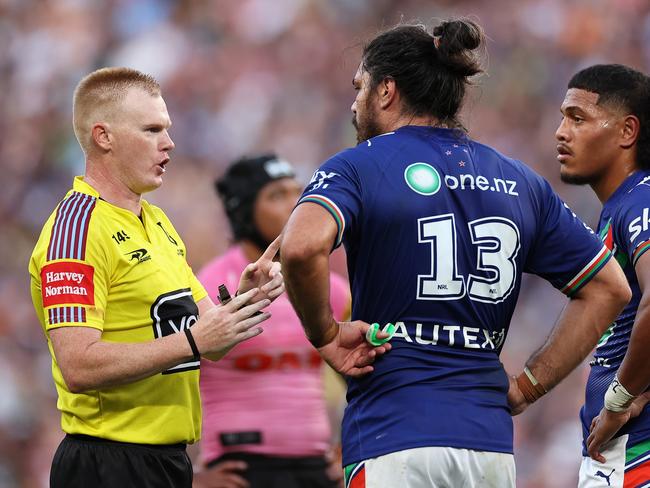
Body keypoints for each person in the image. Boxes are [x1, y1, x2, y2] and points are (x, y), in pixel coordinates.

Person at [280, 19, 631, 487]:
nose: (353, 102)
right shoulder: (520, 180)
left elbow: (301, 248)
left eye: (359, 87)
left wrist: (324, 333)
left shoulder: (359, 163)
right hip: (489, 445)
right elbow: (609, 287)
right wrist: (529, 384)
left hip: (393, 434)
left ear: (386, 90)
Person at [28, 67, 284, 488]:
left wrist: (244, 300)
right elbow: (78, 364)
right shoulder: (76, 229)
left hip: (166, 461)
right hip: (107, 461)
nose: (169, 143)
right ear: (103, 136)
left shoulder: (157, 221)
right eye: (151, 129)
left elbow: (207, 339)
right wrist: (193, 341)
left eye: (166, 128)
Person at [193, 154, 350, 488]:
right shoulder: (208, 284)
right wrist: (187, 477)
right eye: (277, 195)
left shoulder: (331, 290)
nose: (296, 205)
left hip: (315, 468)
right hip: (239, 469)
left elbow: (361, 375)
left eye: (298, 192)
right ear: (243, 211)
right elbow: (169, 382)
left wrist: (353, 447)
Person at [554, 64, 650, 487]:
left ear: (627, 132)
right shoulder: (620, 206)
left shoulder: (639, 199)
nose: (561, 131)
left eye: (577, 118)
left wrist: (619, 398)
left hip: (635, 450)